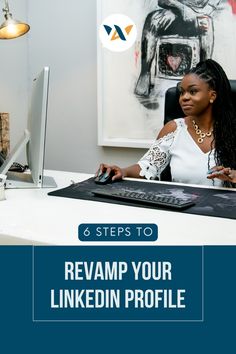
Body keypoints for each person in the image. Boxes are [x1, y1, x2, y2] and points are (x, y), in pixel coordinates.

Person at [97, 59, 236, 188]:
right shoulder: (174, 129)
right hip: (182, 208)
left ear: (212, 95)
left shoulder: (232, 129)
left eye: (193, 91)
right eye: (182, 92)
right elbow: (147, 166)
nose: (184, 98)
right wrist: (122, 171)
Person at [134, 0, 222, 97]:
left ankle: (204, 75)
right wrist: (183, 8)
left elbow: (209, 4)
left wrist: (197, 11)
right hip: (174, 13)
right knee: (152, 20)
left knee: (206, 23)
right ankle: (145, 73)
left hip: (198, 16)